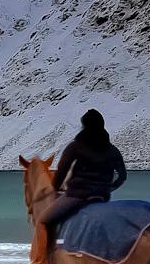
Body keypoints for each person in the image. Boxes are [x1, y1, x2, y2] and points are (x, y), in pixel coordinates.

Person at [37, 108, 126, 254]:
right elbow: (122, 176)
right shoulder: (112, 150)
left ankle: (46, 259)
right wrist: (108, 188)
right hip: (102, 197)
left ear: (85, 126)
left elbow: (62, 171)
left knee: (45, 221)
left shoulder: (76, 147)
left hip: (77, 195)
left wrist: (55, 189)